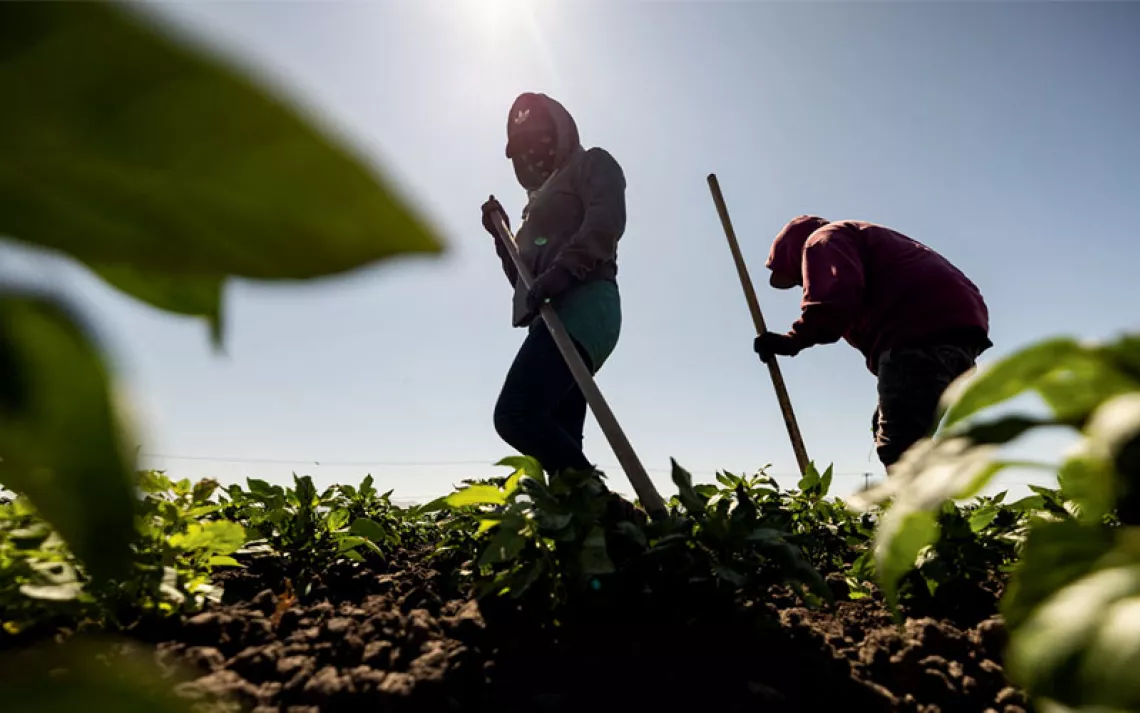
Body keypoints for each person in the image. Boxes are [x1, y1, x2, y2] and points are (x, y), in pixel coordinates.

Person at [753, 216, 993, 471]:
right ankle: (928, 502)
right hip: (958, 333)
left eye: (799, 277)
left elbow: (833, 304)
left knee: (901, 446)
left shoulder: (821, 240)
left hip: (917, 329)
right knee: (890, 425)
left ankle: (922, 509)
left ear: (791, 252)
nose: (804, 282)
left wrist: (791, 341)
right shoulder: (862, 237)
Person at [479, 92, 625, 478]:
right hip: (550, 316)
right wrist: (502, 236)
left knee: (516, 413)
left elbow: (604, 224)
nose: (533, 152)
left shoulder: (592, 164)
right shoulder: (533, 211)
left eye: (540, 139)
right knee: (560, 438)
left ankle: (601, 505)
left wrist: (562, 273)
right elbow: (524, 282)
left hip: (586, 303)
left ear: (560, 130)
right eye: (523, 147)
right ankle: (587, 529)